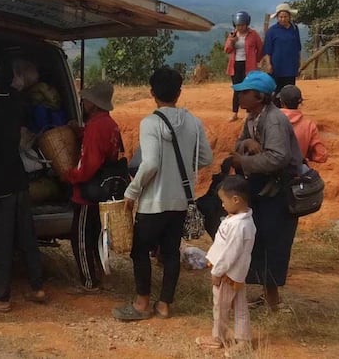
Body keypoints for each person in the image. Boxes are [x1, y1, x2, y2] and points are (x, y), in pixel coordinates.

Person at [113, 67, 213, 321]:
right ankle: (164, 305)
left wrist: (132, 192)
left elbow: (150, 164)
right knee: (170, 253)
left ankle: (141, 303)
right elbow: (205, 158)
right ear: (179, 92)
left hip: (153, 202)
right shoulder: (193, 121)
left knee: (140, 251)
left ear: (151, 92)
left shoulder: (150, 123)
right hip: (181, 201)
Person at [0, 58, 46, 312]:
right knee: (27, 237)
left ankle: (0, 297)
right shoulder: (17, 103)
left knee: (1, 241)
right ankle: (37, 288)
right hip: (18, 178)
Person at [230, 70, 302, 311]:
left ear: (259, 96)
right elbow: (239, 144)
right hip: (263, 188)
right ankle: (268, 296)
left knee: (272, 242)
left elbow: (279, 158)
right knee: (259, 240)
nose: (239, 96)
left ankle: (272, 301)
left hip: (277, 192)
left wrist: (244, 162)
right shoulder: (253, 117)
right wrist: (247, 144)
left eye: (245, 93)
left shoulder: (273, 120)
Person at [63, 81, 121, 294]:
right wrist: (80, 132)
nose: (83, 102)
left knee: (80, 237)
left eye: (86, 99)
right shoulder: (108, 123)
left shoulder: (96, 127)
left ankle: (89, 282)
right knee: (95, 235)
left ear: (94, 104)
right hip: (103, 189)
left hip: (87, 191)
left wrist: (71, 176)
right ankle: (98, 275)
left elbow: (89, 163)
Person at [196, 175, 256, 353]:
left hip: (227, 275)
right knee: (240, 307)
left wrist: (217, 271)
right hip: (237, 274)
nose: (222, 205)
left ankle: (218, 338)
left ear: (236, 200)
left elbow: (230, 253)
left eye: (224, 201)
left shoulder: (239, 226)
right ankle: (243, 340)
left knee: (220, 307)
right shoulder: (242, 220)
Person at [225, 11, 264, 122]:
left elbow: (260, 48)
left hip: (249, 65)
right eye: (238, 25)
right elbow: (227, 50)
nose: (240, 27)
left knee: (248, 89)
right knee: (237, 89)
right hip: (236, 65)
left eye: (242, 25)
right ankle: (234, 113)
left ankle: (248, 113)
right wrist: (232, 42)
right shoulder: (232, 35)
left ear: (247, 24)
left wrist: (256, 60)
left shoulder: (253, 34)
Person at [278, 85, 328, 164]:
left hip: (271, 172)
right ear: (299, 102)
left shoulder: (270, 120)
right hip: (296, 171)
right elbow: (321, 155)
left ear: (281, 101)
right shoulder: (309, 125)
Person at [262, 3, 302, 97]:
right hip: (276, 66)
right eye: (280, 17)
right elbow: (267, 50)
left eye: (285, 16)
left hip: (291, 66)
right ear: (277, 17)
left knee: (290, 91)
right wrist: (268, 64)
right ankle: (277, 110)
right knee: (276, 91)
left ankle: (288, 110)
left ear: (289, 16)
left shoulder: (294, 29)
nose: (283, 19)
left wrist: (299, 62)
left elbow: (298, 47)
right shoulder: (272, 31)